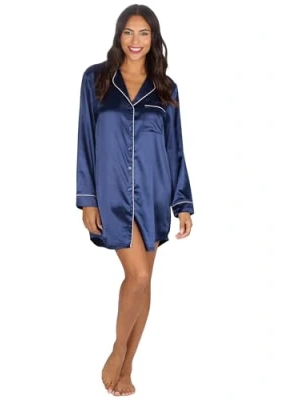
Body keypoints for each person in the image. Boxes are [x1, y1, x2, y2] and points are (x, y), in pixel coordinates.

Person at [75, 4, 194, 396]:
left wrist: (183, 204)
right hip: (111, 194)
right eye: (129, 32)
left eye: (144, 33)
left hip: (154, 194)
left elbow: (175, 149)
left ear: (153, 38)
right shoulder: (96, 79)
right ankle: (117, 350)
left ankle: (127, 366)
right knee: (138, 276)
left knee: (145, 283)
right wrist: (88, 199)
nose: (136, 40)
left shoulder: (165, 88)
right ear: (118, 35)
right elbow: (86, 140)